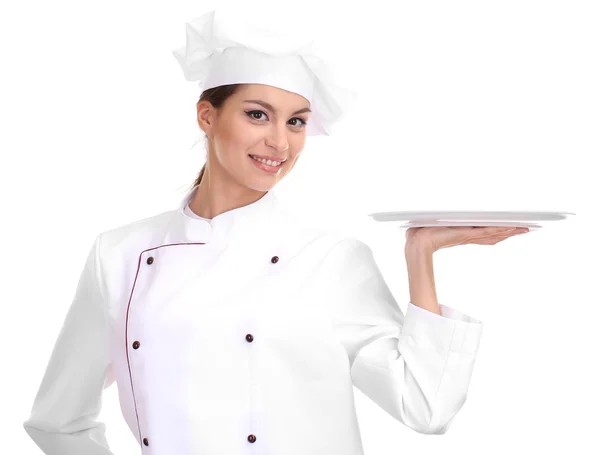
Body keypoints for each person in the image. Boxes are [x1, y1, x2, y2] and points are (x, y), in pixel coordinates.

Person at [21, 9, 499, 455]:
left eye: (296, 122)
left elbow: (425, 407)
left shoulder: (329, 258)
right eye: (257, 114)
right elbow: (57, 421)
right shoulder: (120, 254)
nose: (279, 141)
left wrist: (420, 256)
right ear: (207, 116)